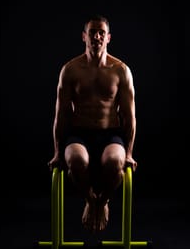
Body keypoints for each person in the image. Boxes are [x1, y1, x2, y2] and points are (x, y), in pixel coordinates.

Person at [48, 14, 137, 233]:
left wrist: (129, 153)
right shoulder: (70, 70)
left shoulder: (121, 71)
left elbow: (130, 116)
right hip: (80, 133)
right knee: (75, 161)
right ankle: (90, 201)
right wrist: (58, 152)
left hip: (110, 133)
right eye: (92, 33)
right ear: (84, 37)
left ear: (108, 38)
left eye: (101, 33)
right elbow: (60, 115)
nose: (96, 37)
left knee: (116, 163)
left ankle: (102, 202)